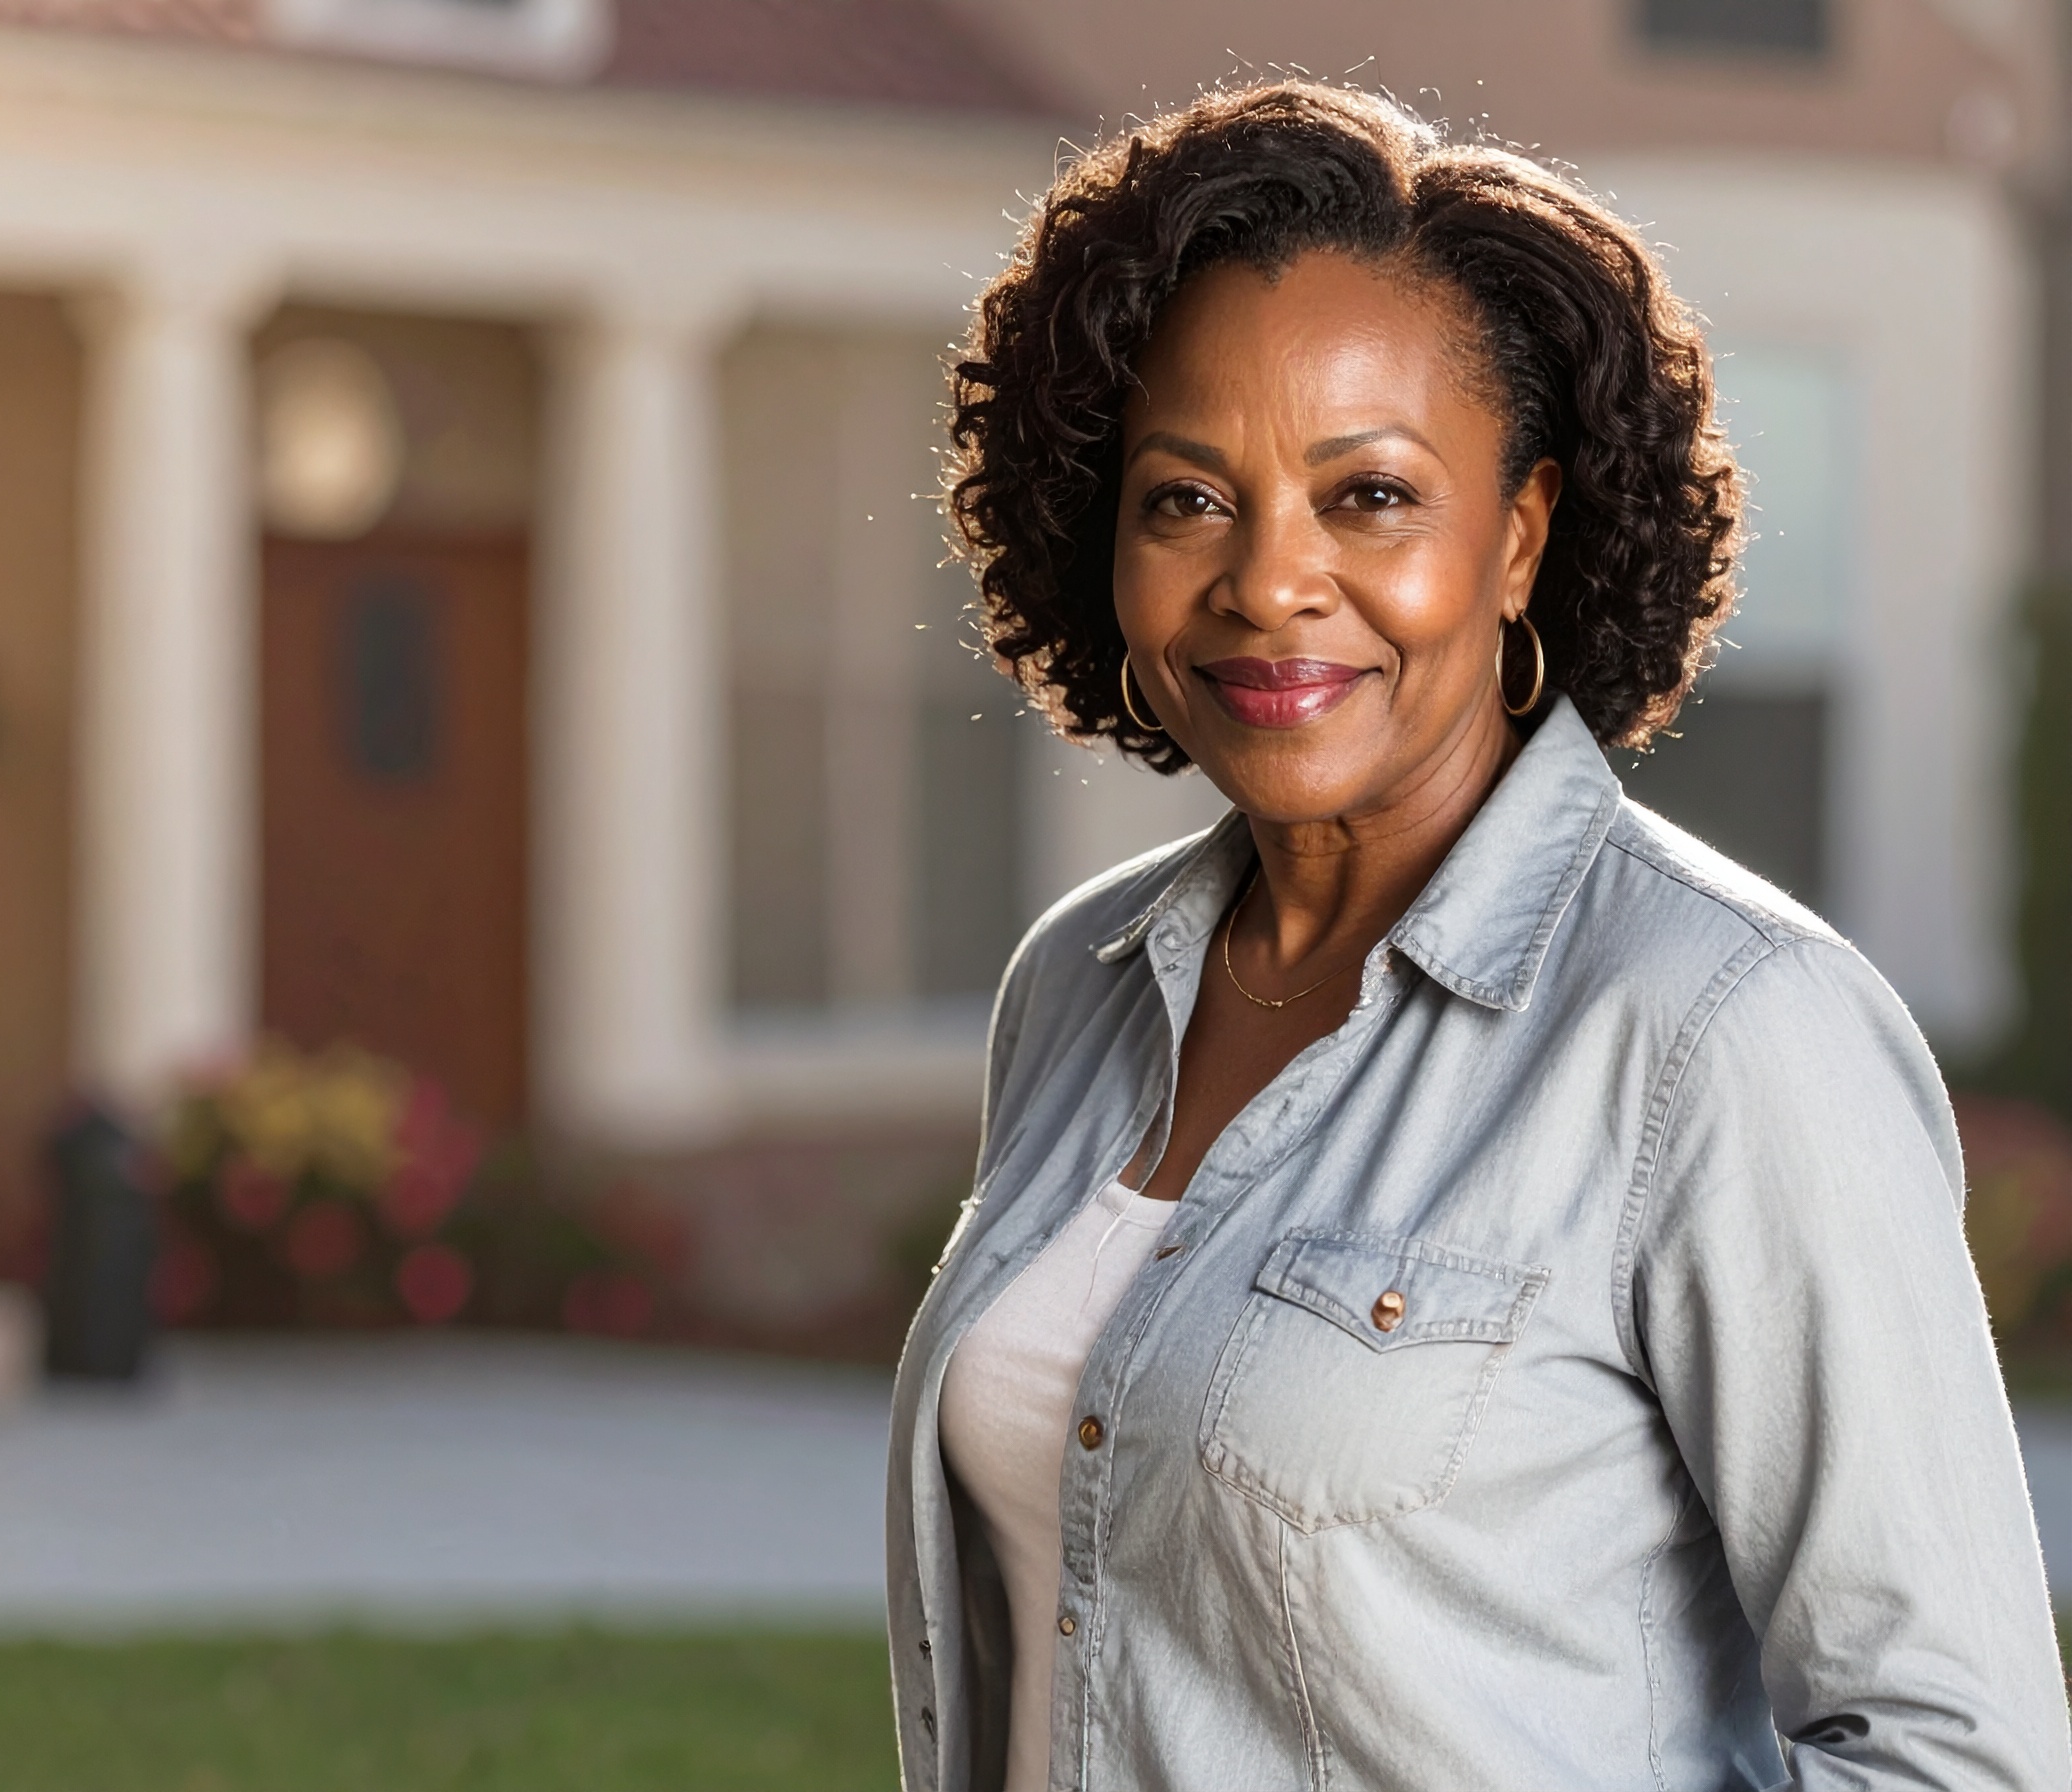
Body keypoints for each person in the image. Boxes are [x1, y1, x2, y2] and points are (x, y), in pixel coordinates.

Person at [885, 81, 2070, 1792]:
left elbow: (1960, 1760)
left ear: (1518, 533)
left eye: (1368, 497)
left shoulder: (1723, 1028)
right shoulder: (1078, 983)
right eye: (1186, 499)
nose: (1268, 581)